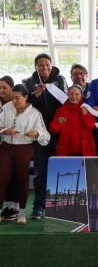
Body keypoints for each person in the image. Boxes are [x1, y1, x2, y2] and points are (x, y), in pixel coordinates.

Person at [22, 53, 67, 220]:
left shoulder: (60, 79)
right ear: (36, 67)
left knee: (60, 169)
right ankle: (39, 206)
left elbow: (66, 100)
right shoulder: (27, 82)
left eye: (47, 64)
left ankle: (58, 205)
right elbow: (25, 105)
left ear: (51, 65)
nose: (45, 68)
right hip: (39, 133)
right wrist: (36, 96)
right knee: (40, 171)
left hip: (58, 131)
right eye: (41, 65)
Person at [0, 84, 50, 225]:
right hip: (6, 147)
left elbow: (46, 136)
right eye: (12, 98)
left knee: (22, 179)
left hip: (24, 147)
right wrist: (4, 130)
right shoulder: (7, 107)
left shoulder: (34, 114)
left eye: (17, 98)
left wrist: (36, 133)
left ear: (26, 97)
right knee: (2, 179)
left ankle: (21, 213)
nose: (14, 101)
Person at [49, 84, 96, 156]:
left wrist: (86, 114)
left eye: (77, 94)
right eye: (71, 94)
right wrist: (58, 121)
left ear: (81, 96)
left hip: (85, 150)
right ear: (68, 95)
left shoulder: (86, 108)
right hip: (66, 151)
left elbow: (92, 126)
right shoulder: (61, 110)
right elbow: (53, 129)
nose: (74, 96)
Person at [0, 76, 19, 222]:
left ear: (11, 88)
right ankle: (7, 206)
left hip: (14, 144)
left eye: (4, 88)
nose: (1, 91)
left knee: (12, 175)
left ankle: (14, 207)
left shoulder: (17, 104)